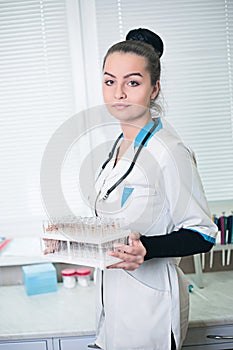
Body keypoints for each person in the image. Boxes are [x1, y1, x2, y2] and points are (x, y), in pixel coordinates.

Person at [88, 28, 218, 350]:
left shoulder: (170, 152)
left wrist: (146, 248)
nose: (118, 93)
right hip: (111, 310)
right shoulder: (119, 147)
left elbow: (202, 234)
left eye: (132, 82)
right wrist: (70, 239)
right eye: (109, 81)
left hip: (152, 314)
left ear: (154, 88)